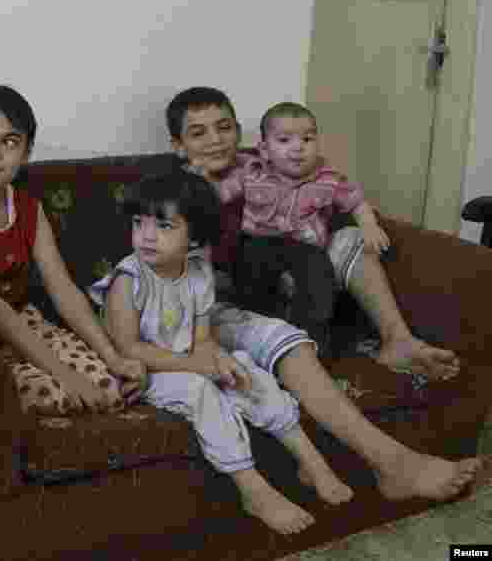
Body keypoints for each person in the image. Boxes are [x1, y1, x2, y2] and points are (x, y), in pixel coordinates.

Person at [164, 85, 480, 502]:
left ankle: (397, 340)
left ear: (241, 131)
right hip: (220, 304)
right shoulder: (173, 190)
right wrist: (202, 200)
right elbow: (182, 273)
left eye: (224, 127)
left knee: (349, 238)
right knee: (281, 330)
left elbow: (331, 194)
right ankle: (395, 464)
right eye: (198, 133)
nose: (215, 140)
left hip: (291, 283)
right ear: (178, 145)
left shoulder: (265, 161)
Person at [90, 170, 352, 534]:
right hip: (143, 372)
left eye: (164, 226)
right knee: (200, 391)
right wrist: (197, 366)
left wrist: (218, 359)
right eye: (139, 222)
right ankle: (254, 490)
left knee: (244, 367)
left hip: (186, 358)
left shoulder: (198, 272)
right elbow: (128, 348)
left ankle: (310, 461)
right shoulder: (128, 279)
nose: (146, 235)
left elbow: (202, 339)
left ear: (194, 237)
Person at [0, 85, 146, 415]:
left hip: (26, 322)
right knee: (52, 395)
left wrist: (114, 357)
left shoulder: (28, 209)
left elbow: (64, 291)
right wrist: (68, 377)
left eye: (9, 142)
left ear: (26, 152)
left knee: (111, 387)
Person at [209, 101, 389, 358]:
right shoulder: (252, 171)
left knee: (318, 275)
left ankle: (314, 342)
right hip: (257, 242)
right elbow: (220, 194)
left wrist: (369, 225)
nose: (298, 148)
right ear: (265, 149)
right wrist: (200, 182)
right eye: (284, 140)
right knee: (249, 274)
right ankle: (264, 333)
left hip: (304, 247)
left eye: (307, 139)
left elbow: (356, 202)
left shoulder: (328, 179)